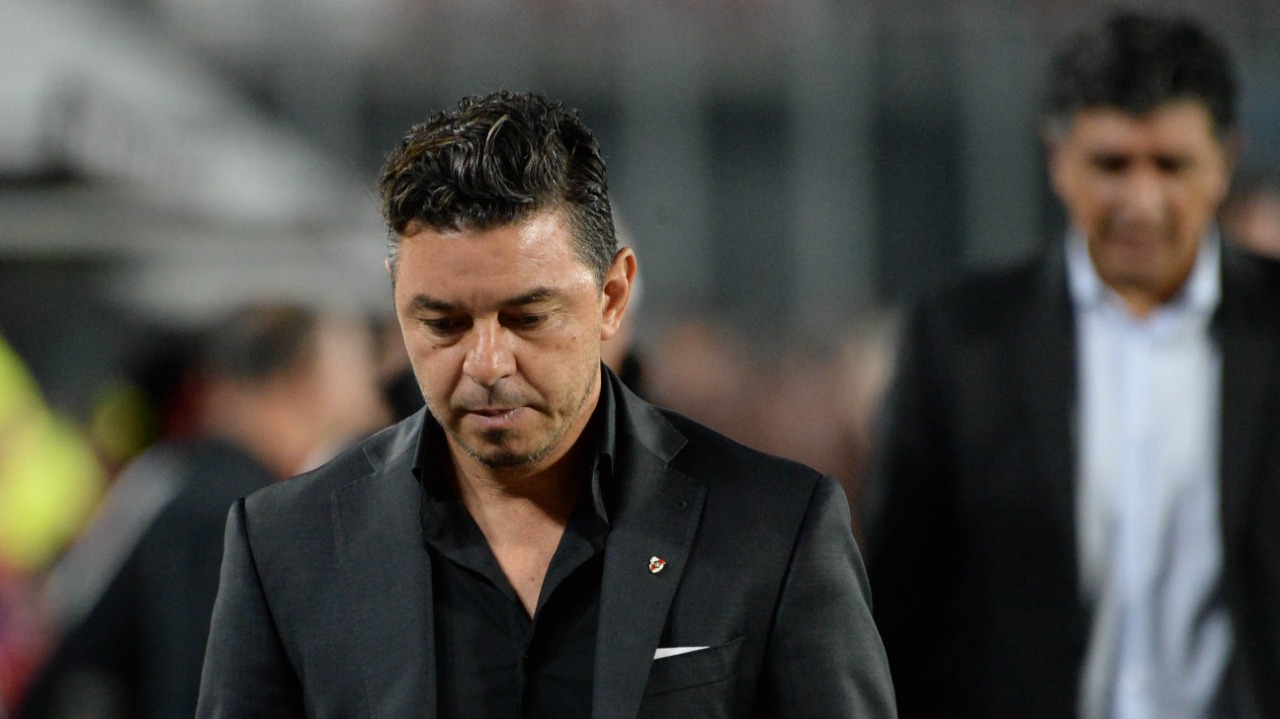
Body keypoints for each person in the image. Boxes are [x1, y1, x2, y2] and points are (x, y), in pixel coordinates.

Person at [196, 90, 895, 718]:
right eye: (442, 323)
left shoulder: (775, 530)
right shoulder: (286, 546)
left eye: (528, 318)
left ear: (613, 297)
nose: (487, 364)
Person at [866, 11, 1280, 719]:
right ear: (1059, 160)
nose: (1141, 201)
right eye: (1111, 164)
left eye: (1171, 165)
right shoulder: (963, 342)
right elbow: (904, 603)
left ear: (1224, 161)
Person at [18, 304, 389, 719]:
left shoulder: (186, 478)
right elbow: (193, 690)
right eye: (358, 370)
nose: (375, 396)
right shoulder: (227, 509)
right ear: (301, 381)